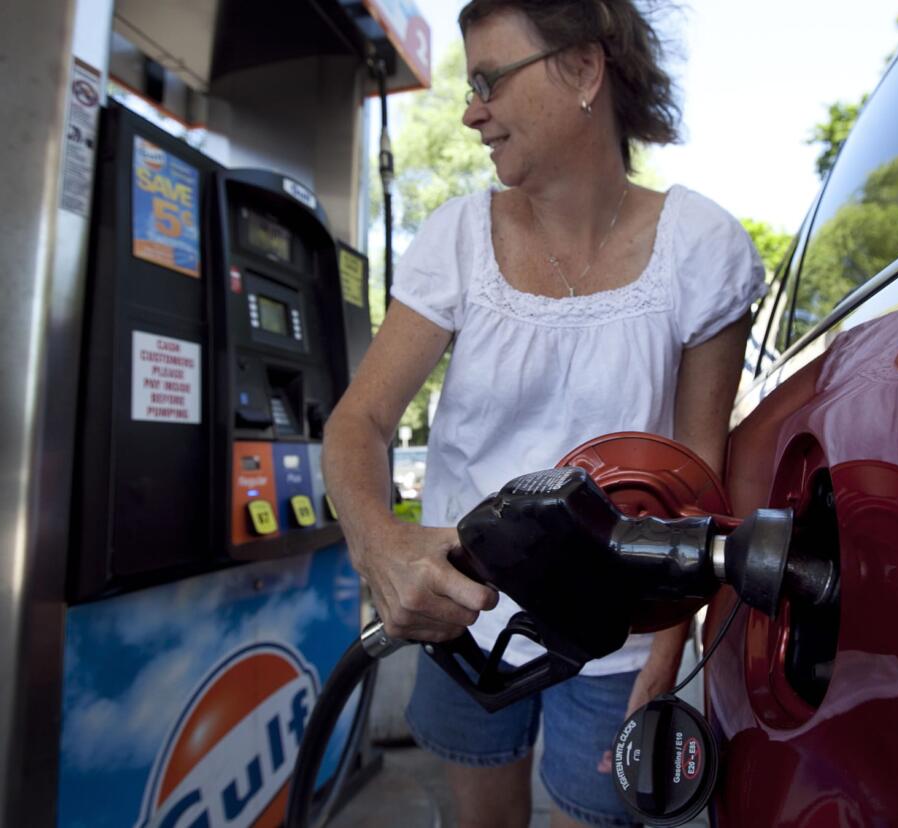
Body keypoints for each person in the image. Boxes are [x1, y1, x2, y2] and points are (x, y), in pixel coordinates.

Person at [322, 1, 765, 824]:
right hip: (463, 627)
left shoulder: (701, 250)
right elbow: (360, 422)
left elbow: (701, 483)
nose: (469, 111)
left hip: (620, 640)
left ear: (585, 69)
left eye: (488, 79)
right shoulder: (456, 238)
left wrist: (668, 652)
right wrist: (380, 546)